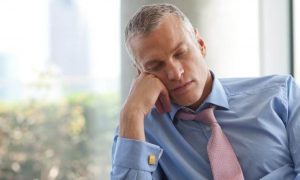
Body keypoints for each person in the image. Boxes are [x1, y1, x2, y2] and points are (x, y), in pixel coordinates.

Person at [111, 3, 300, 180]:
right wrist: (132, 114)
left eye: (180, 53)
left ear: (200, 44)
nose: (175, 73)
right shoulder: (141, 132)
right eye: (156, 66)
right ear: (141, 74)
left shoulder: (280, 95)